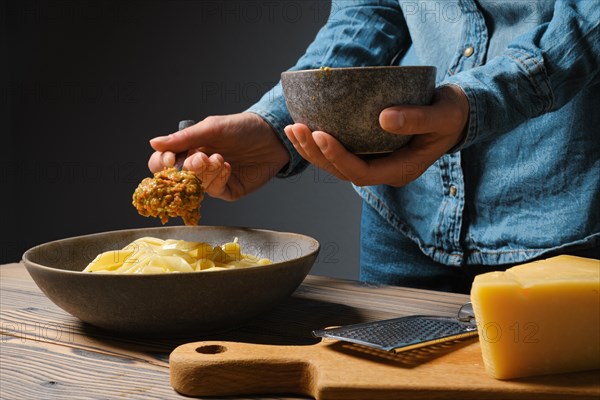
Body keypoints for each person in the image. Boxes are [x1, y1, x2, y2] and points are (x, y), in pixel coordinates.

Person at [148, 0, 599, 293]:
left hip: (564, 216)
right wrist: (276, 124)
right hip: (405, 222)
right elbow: (370, 11)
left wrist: (475, 102)